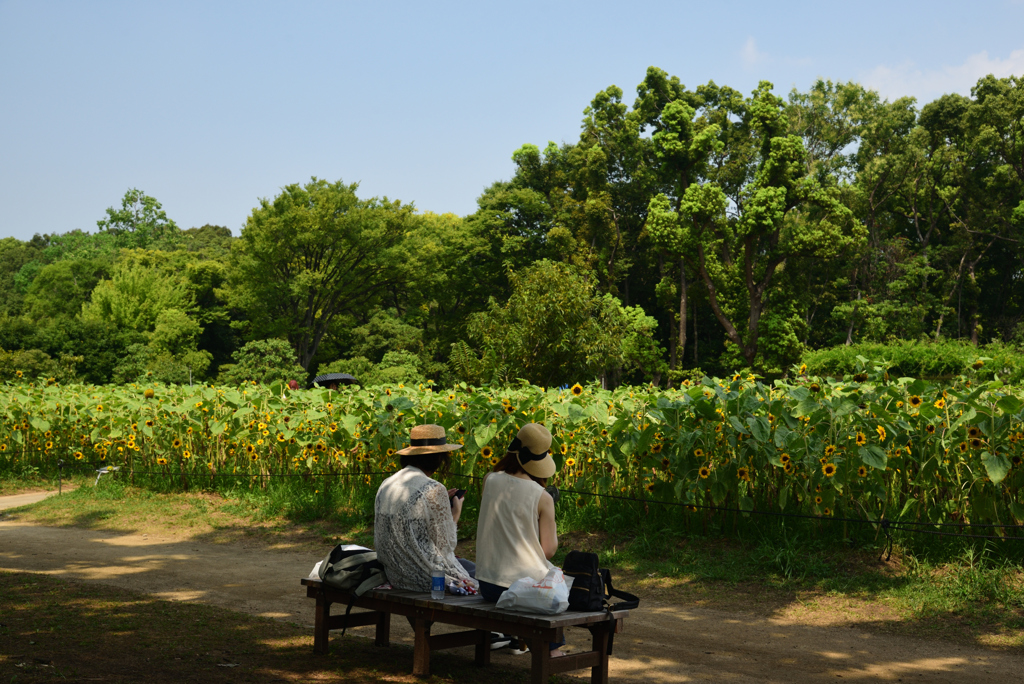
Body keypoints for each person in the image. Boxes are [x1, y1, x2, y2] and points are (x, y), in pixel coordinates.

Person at [475, 423, 563, 656]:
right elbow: (548, 550)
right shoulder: (542, 496)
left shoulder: (489, 479)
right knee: (552, 585)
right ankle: (551, 652)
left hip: (488, 585)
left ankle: (513, 638)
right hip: (522, 589)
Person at [374, 424, 477, 593]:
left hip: (395, 574)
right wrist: (455, 513)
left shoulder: (387, 483)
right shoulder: (433, 488)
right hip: (426, 578)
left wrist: (439, 503)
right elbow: (446, 545)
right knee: (478, 575)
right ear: (438, 458)